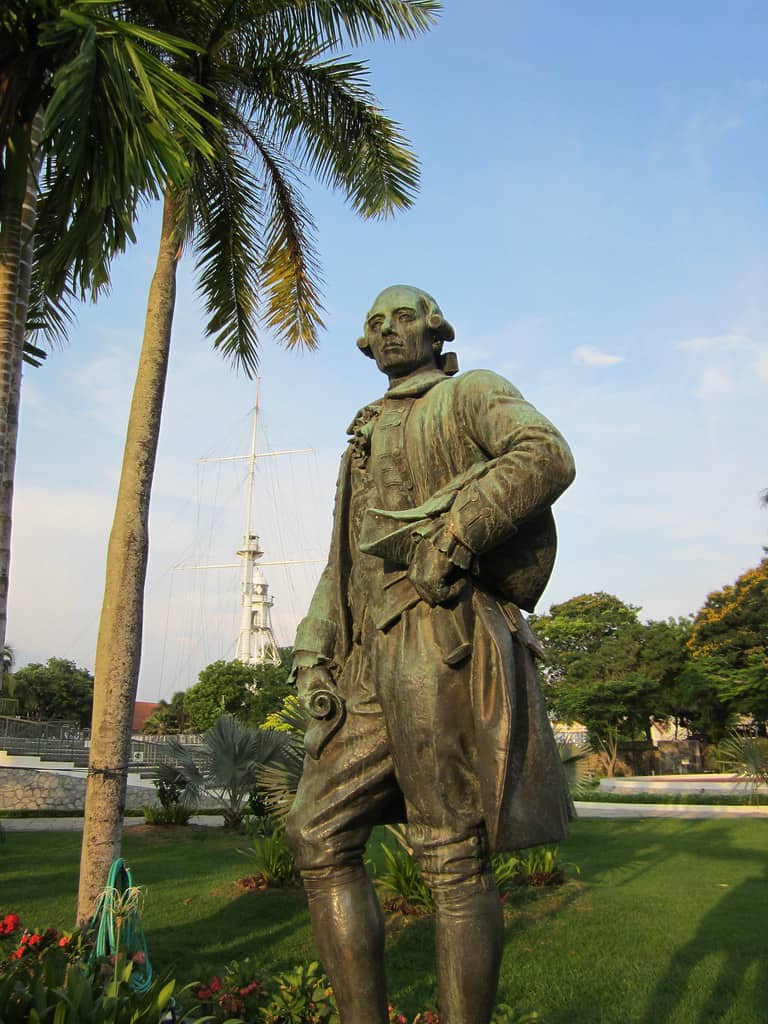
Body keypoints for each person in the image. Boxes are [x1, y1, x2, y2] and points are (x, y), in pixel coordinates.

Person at [286, 285, 576, 1024]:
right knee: (316, 832)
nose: (389, 332)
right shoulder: (364, 433)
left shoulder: (468, 393)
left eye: (404, 318)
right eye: (375, 325)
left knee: (449, 855)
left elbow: (545, 454)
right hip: (364, 662)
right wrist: (312, 646)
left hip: (434, 638)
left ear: (436, 329)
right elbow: (342, 561)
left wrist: (455, 535)